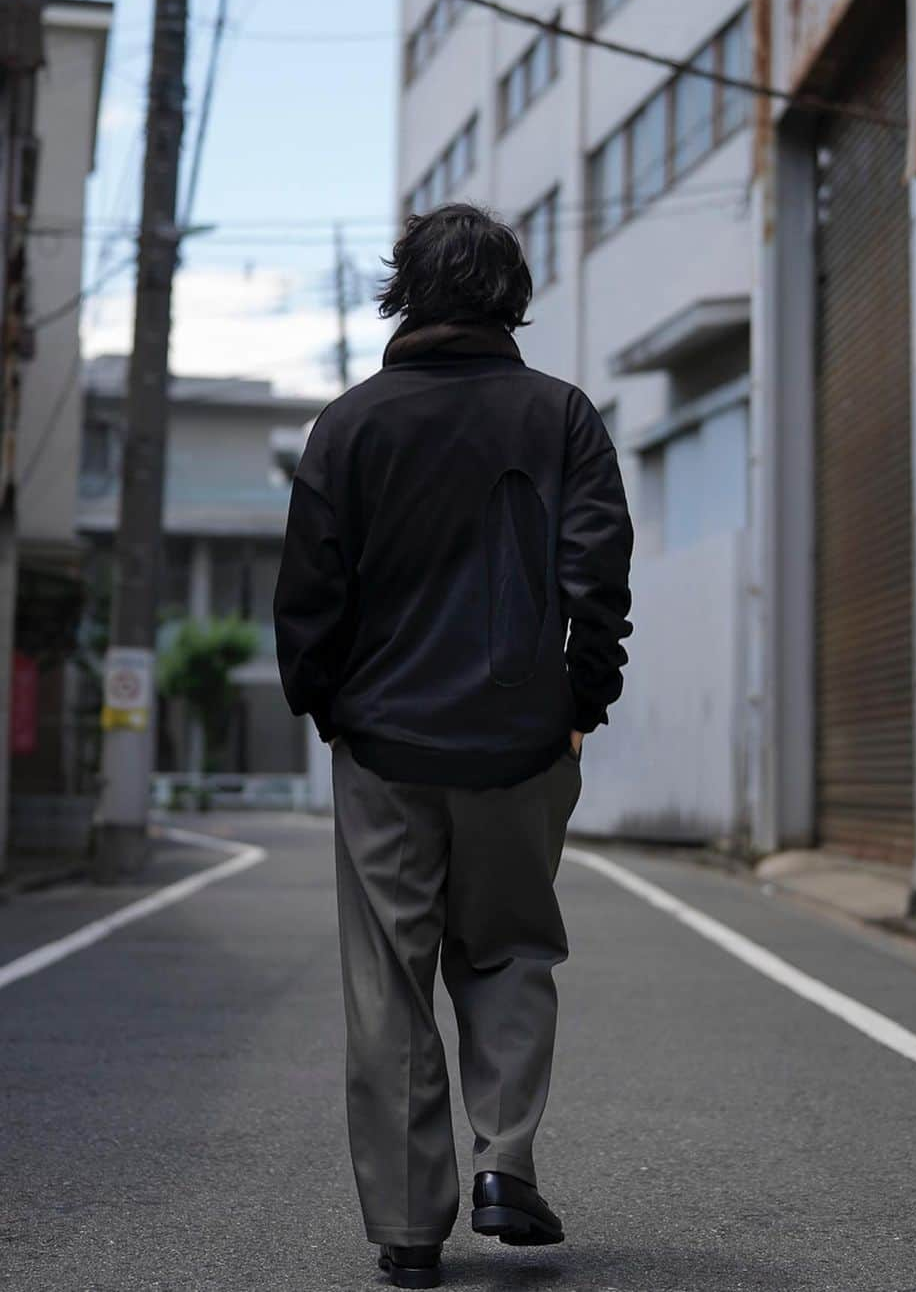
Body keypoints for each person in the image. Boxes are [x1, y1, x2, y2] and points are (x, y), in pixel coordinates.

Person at [273, 202, 633, 1289]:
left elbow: (308, 595)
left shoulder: (350, 423)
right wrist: (580, 697)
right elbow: (597, 575)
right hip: (523, 740)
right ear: (512, 294)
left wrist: (332, 706)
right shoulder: (561, 414)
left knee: (389, 977)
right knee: (511, 947)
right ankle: (505, 1165)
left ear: (405, 292)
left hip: (384, 743)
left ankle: (407, 1226)